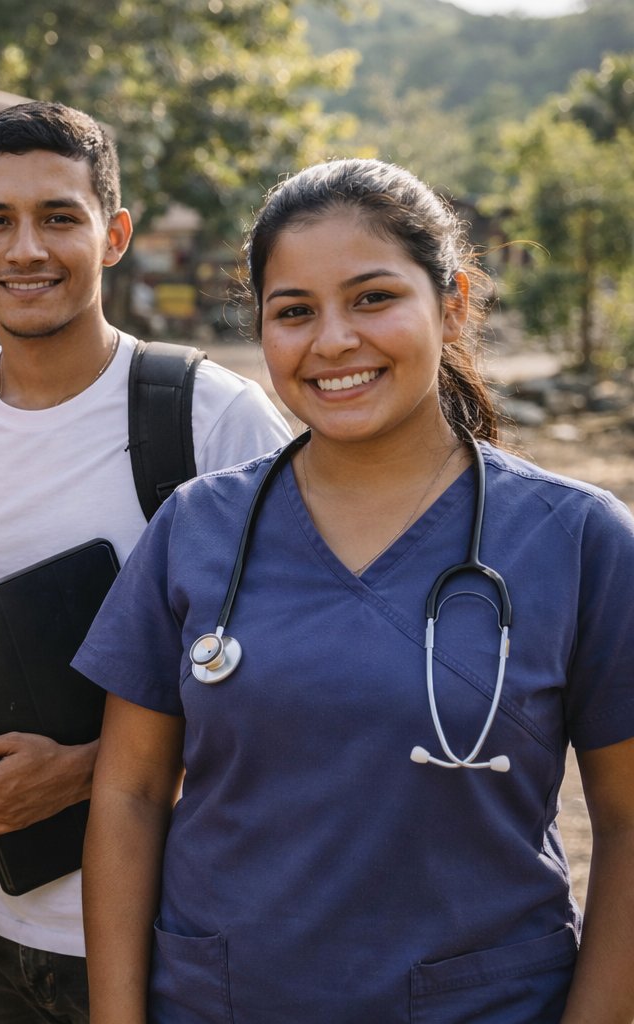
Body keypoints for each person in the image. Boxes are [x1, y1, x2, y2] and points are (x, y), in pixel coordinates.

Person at [77, 159, 634, 1022]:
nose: (333, 341)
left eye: (373, 298)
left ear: (452, 306)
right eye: (294, 311)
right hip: (222, 1002)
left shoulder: (579, 540)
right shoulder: (197, 528)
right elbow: (130, 796)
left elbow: (628, 824)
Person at [0, 102, 291, 1024]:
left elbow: (293, 681)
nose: (26, 249)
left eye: (59, 217)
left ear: (114, 235)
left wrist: (84, 771)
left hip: (172, 918)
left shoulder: (213, 417)